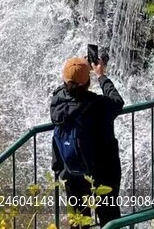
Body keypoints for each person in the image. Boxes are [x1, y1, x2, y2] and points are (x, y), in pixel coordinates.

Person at [51, 56, 124, 227]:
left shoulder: (57, 102)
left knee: (79, 217)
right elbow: (117, 101)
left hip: (71, 168)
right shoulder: (99, 105)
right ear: (87, 82)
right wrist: (101, 75)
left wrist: (77, 72)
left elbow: (67, 87)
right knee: (109, 216)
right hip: (102, 170)